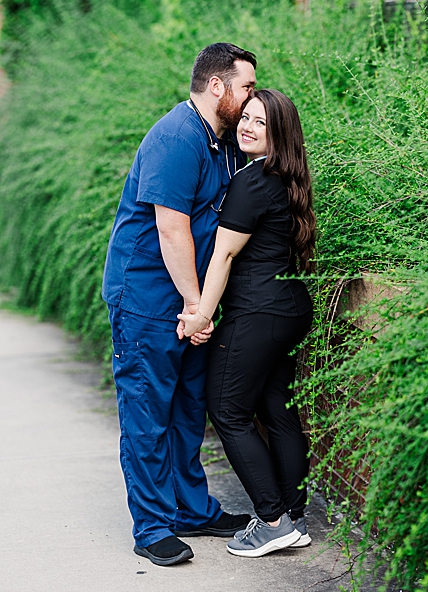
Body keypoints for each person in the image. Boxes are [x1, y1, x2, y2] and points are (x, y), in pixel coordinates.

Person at [101, 43, 258, 566]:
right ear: (218, 87)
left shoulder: (220, 141)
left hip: (190, 302)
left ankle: (191, 510)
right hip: (148, 297)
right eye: (246, 87)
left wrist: (200, 307)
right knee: (148, 413)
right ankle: (150, 526)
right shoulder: (176, 137)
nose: (250, 96)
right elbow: (171, 230)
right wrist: (197, 305)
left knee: (189, 409)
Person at [179, 88, 316, 558]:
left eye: (261, 122)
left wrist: (200, 314)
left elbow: (224, 255)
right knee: (276, 411)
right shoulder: (284, 177)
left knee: (229, 411)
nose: (248, 126)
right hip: (289, 309)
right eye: (248, 118)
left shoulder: (252, 180)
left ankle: (272, 520)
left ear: (279, 135)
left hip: (258, 312)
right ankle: (294, 515)